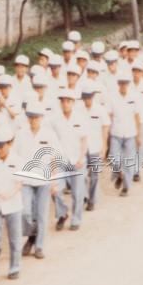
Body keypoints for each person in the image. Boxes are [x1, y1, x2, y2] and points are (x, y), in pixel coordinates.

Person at [15, 101, 61, 259]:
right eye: (30, 117)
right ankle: (31, 236)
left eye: (36, 117)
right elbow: (16, 157)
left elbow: (55, 157)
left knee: (42, 214)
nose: (33, 120)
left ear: (41, 118)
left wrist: (54, 180)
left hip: (44, 180)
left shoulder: (49, 134)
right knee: (25, 212)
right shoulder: (21, 134)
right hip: (26, 180)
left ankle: (39, 246)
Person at [0, 126, 24, 281]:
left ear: (9, 144)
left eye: (1, 146)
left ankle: (15, 267)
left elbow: (19, 183)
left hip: (13, 204)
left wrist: (10, 194)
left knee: (15, 238)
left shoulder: (18, 161)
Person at [49, 88, 88, 231]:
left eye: (68, 101)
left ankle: (76, 219)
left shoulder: (80, 118)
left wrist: (81, 157)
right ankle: (62, 213)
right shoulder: (54, 120)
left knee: (78, 192)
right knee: (55, 189)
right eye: (63, 101)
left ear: (73, 102)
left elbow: (84, 139)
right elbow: (51, 142)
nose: (65, 104)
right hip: (60, 160)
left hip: (77, 160)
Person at [107, 65, 141, 197]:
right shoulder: (112, 97)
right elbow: (109, 115)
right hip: (115, 133)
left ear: (128, 84)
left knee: (128, 161)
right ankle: (118, 174)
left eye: (125, 83)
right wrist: (108, 135)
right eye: (121, 83)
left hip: (130, 133)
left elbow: (137, 116)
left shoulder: (134, 97)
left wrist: (139, 135)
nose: (123, 85)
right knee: (114, 159)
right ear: (118, 84)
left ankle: (126, 186)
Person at [80, 84, 110, 211]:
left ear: (93, 97)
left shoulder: (100, 109)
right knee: (80, 175)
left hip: (96, 146)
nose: (87, 100)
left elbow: (106, 126)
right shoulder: (77, 110)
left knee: (95, 175)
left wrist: (105, 145)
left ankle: (91, 199)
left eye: (89, 97)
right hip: (81, 148)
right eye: (85, 98)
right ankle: (85, 194)